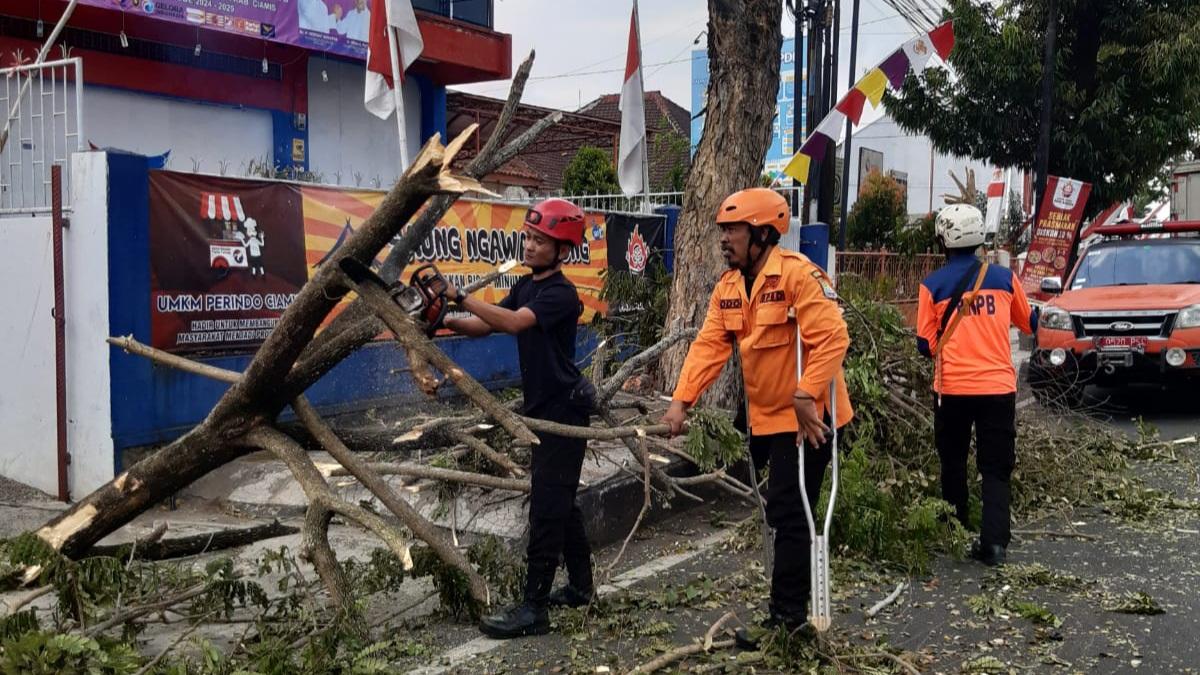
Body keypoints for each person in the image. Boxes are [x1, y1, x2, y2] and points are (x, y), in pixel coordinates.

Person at [660, 188, 853, 647]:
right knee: (779, 510)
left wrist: (807, 395)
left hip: (809, 419)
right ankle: (788, 609)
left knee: (790, 510)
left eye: (733, 230)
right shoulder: (729, 288)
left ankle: (788, 621)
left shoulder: (798, 276)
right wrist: (681, 401)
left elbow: (833, 337)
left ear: (763, 234)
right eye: (723, 230)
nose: (724, 239)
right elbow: (709, 346)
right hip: (765, 418)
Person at [442, 198, 595, 639]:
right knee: (560, 501)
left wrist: (459, 294)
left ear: (561, 249)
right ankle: (582, 587)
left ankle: (534, 609)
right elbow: (486, 324)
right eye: (527, 238)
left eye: (539, 241)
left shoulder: (560, 295)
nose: (528, 246)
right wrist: (442, 318)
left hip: (564, 411)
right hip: (542, 409)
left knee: (547, 505)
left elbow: (511, 323)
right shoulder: (528, 286)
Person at [916, 204, 1037, 567]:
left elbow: (925, 345)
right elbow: (1028, 323)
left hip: (952, 390)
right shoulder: (1003, 278)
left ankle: (956, 528)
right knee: (996, 467)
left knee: (953, 461)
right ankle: (995, 545)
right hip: (998, 389)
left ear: (944, 241)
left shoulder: (932, 285)